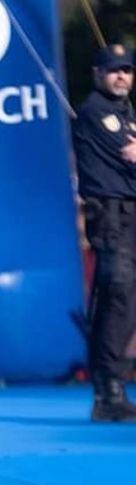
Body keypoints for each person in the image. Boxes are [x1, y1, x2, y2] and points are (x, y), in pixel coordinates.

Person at [73, 43, 136, 422]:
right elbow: (129, 156)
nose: (121, 76)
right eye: (114, 70)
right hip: (111, 215)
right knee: (115, 298)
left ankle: (114, 385)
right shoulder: (96, 112)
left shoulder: (125, 114)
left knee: (127, 301)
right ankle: (106, 391)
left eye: (127, 70)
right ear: (98, 74)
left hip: (129, 214)